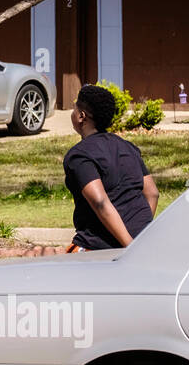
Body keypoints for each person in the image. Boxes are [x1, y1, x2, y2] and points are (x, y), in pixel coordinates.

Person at [63, 84, 159, 251]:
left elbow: (101, 203)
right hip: (142, 243)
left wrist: (129, 246)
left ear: (81, 116)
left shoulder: (79, 156)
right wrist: (138, 235)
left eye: (74, 109)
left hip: (98, 248)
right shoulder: (128, 147)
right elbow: (152, 193)